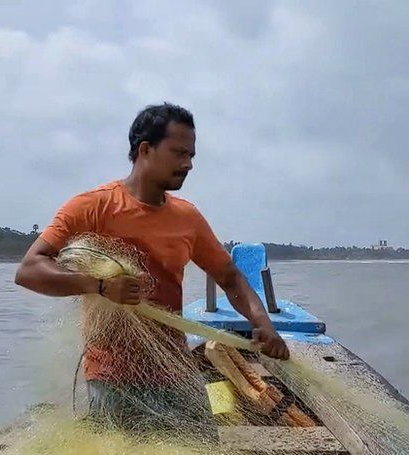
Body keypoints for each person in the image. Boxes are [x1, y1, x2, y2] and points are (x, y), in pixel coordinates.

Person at [15, 103, 288, 432]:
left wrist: (263, 323)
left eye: (191, 156)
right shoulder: (92, 208)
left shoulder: (187, 218)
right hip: (113, 377)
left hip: (174, 368)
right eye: (178, 153)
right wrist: (100, 286)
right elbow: (29, 269)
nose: (187, 164)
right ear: (145, 149)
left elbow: (230, 278)